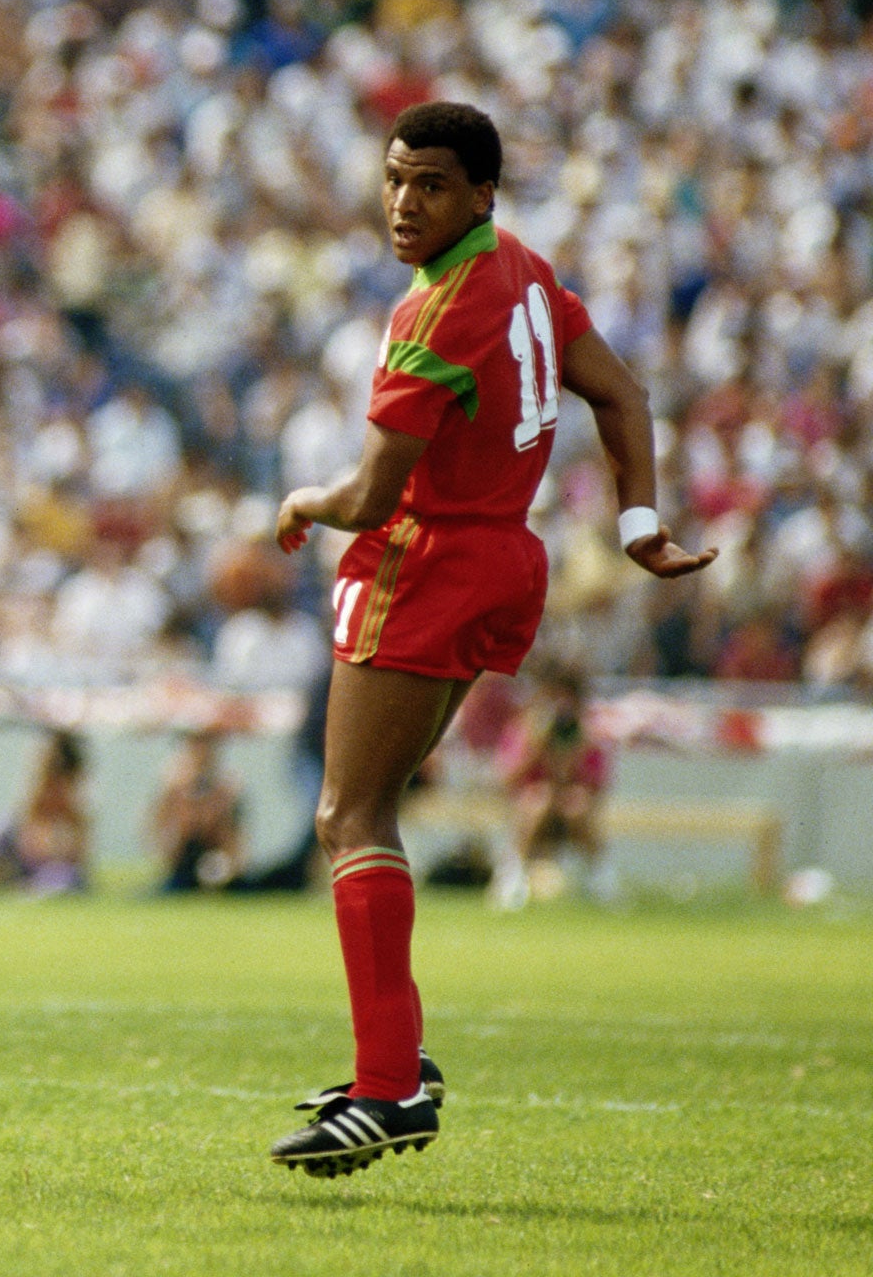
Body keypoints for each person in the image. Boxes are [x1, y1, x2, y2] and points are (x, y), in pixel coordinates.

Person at [266, 102, 716, 1177]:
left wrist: (301, 501)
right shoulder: (516, 268)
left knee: (349, 812)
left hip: (426, 560)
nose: (402, 204)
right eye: (391, 180)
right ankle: (394, 1066)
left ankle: (386, 1089)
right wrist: (637, 524)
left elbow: (374, 490)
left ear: (479, 194)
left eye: (427, 185)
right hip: (503, 559)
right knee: (370, 807)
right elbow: (617, 391)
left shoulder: (439, 314)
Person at [490, 668, 615, 909]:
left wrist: (573, 755)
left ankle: (601, 880)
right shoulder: (523, 729)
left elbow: (596, 786)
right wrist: (536, 750)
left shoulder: (588, 734)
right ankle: (512, 877)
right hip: (531, 810)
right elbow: (507, 780)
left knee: (576, 803)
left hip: (571, 812)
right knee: (539, 799)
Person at [0, 729, 91, 896]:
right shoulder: (18, 817)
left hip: (48, 874)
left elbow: (72, 859)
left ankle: (29, 891)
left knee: (63, 876)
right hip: (16, 864)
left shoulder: (76, 816)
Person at [149, 727, 242, 893]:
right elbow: (157, 827)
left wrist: (230, 868)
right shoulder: (175, 787)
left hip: (217, 859)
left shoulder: (226, 788)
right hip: (183, 863)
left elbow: (232, 838)